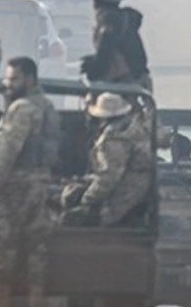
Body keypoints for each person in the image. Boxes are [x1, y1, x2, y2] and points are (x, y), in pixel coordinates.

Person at [0, 58, 60, 307]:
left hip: (18, 181)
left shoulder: (22, 108)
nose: (7, 84)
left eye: (14, 79)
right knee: (37, 242)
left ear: (30, 79)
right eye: (7, 78)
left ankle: (0, 297)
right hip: (41, 180)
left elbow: (9, 150)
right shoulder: (46, 106)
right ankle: (36, 298)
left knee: (5, 240)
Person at [63, 92, 153, 226]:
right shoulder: (135, 127)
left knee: (73, 218)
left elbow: (109, 177)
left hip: (128, 189)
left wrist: (87, 199)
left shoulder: (115, 136)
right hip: (139, 186)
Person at [81, 0, 151, 91]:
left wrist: (94, 71)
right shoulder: (125, 19)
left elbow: (105, 51)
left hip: (123, 83)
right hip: (140, 80)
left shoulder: (109, 22)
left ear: (96, 4)